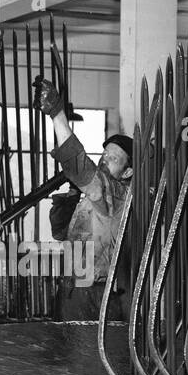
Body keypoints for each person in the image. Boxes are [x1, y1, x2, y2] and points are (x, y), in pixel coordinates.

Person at [33, 77, 133, 321]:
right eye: (104, 154)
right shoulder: (96, 195)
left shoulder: (118, 196)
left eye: (114, 158)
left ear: (128, 172)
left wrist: (56, 114)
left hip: (96, 296)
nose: (104, 160)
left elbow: (79, 165)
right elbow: (61, 233)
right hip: (72, 290)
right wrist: (69, 201)